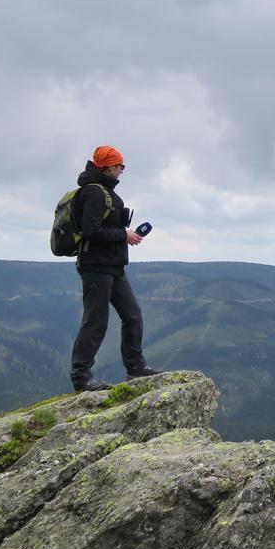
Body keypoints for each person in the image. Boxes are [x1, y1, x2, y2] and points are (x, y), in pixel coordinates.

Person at [69, 145, 161, 391]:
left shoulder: (106, 192)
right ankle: (81, 377)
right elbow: (89, 230)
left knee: (133, 315)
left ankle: (135, 366)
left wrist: (124, 235)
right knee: (95, 321)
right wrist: (123, 235)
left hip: (113, 265)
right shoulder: (94, 193)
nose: (122, 171)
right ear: (109, 166)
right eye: (120, 166)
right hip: (96, 266)